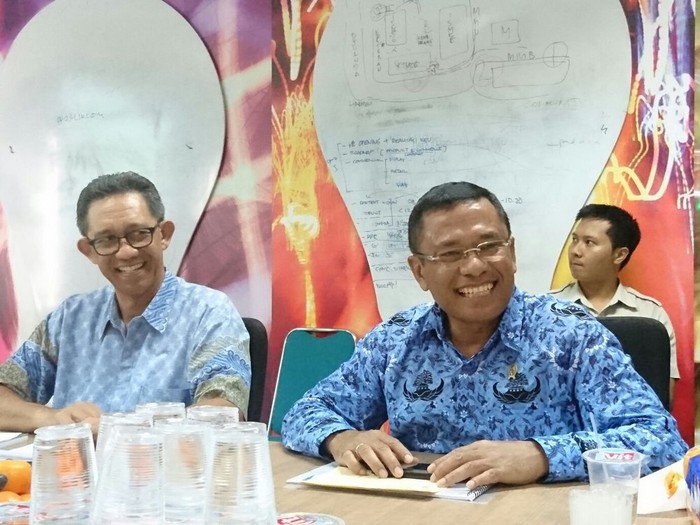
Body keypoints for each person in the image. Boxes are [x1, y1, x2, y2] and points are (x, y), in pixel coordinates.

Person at [282, 181, 686, 489]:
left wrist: (542, 455)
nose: (474, 266)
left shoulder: (574, 337)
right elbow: (304, 412)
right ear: (419, 271)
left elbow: (661, 440)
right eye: (450, 253)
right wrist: (341, 437)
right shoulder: (395, 341)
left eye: (489, 246)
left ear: (512, 252)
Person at [0, 172, 251, 432]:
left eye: (139, 234)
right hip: (71, 460)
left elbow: (222, 415)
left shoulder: (208, 314)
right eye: (106, 240)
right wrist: (53, 418)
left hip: (163, 460)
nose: (127, 252)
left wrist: (116, 432)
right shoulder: (70, 319)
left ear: (164, 234)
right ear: (89, 251)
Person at [550, 204, 679, 401]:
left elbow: (662, 397)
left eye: (589, 242)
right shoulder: (548, 308)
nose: (575, 251)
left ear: (619, 255)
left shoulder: (650, 315)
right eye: (575, 240)